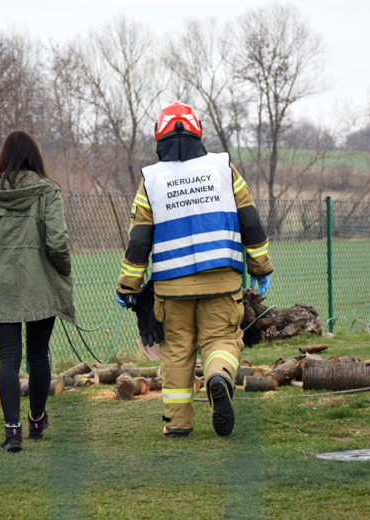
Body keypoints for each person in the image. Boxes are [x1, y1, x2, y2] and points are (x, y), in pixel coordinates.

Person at [116, 101, 272, 438]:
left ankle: (178, 424)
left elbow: (139, 241)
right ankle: (218, 377)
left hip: (172, 288)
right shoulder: (223, 169)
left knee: (177, 351)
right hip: (222, 280)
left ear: (160, 136)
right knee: (221, 341)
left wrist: (128, 287)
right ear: (197, 132)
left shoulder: (152, 181)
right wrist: (260, 266)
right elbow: (250, 220)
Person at [0, 130, 76, 452]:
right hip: (41, 283)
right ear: (34, 157)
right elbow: (57, 241)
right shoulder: (48, 191)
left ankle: (13, 433)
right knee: (39, 355)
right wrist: (62, 270)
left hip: (4, 286)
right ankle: (37, 419)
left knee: (8, 358)